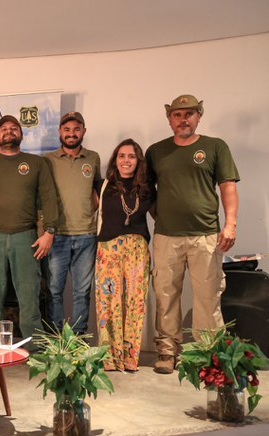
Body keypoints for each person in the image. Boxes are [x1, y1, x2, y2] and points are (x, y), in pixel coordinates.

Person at [146, 94, 239, 374]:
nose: (183, 119)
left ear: (199, 116)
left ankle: (207, 355)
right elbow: (146, 190)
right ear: (169, 118)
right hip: (166, 237)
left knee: (207, 297)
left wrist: (230, 223)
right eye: (177, 114)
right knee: (165, 296)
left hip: (206, 235)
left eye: (188, 114)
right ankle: (166, 352)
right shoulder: (156, 151)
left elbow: (228, 187)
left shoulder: (214, 147)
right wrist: (159, 214)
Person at [0, 115, 58, 341]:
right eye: (4, 129)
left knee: (30, 297)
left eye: (14, 128)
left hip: (26, 237)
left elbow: (49, 198)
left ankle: (35, 350)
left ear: (21, 133)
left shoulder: (37, 163)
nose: (9, 132)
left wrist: (49, 231)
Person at [94, 139, 154, 371]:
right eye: (121, 155)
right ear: (115, 159)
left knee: (135, 303)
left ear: (138, 161)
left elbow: (160, 214)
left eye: (131, 156)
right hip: (108, 250)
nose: (126, 160)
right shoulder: (103, 185)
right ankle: (110, 357)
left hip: (137, 251)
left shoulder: (148, 188)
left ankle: (129, 358)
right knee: (108, 303)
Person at [44, 112, 101, 334]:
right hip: (57, 235)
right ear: (60, 132)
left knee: (82, 291)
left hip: (86, 234)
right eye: (66, 129)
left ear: (83, 131)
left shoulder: (93, 158)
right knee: (54, 290)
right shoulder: (48, 160)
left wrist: (87, 210)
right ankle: (56, 339)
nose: (71, 133)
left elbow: (99, 191)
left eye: (76, 129)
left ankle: (77, 339)